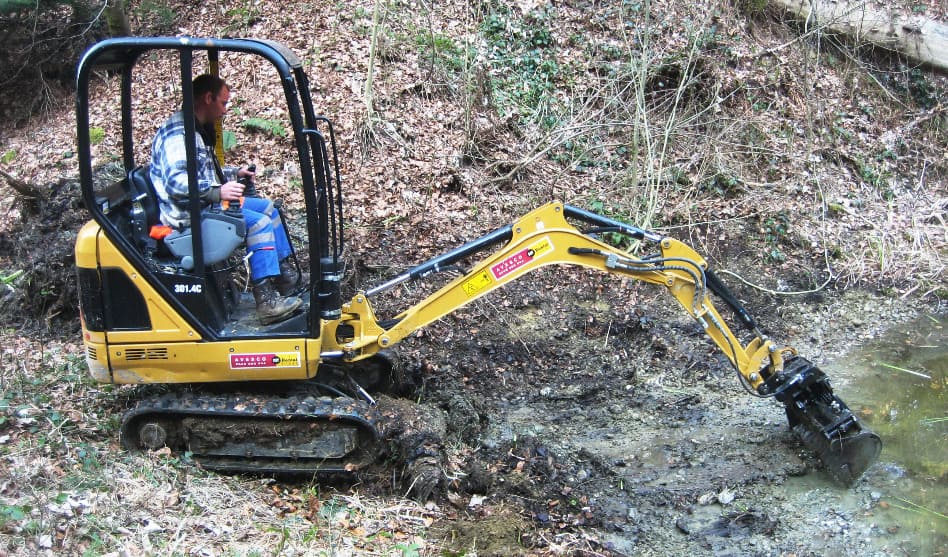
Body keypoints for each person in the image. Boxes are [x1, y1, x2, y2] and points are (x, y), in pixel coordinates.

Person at [150, 74, 305, 325]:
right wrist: (217, 192)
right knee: (257, 224)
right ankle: (266, 301)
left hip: (204, 208)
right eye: (223, 103)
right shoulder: (180, 135)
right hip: (187, 221)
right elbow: (176, 183)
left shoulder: (194, 130)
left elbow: (201, 173)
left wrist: (235, 174)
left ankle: (285, 278)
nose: (225, 110)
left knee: (269, 209)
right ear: (208, 98)